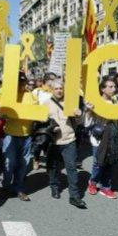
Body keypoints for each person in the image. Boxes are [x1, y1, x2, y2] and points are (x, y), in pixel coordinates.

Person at [44, 79, 87, 209]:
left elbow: (80, 122)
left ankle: (74, 196)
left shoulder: (70, 103)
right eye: (56, 88)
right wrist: (51, 129)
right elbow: (40, 124)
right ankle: (54, 187)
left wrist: (80, 115)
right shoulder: (45, 104)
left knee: (72, 167)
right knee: (53, 167)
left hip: (69, 140)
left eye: (61, 88)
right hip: (53, 142)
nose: (59, 90)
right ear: (52, 90)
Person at [0, 73, 37, 200]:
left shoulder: (30, 95)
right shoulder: (7, 95)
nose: (21, 84)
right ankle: (6, 185)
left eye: (23, 81)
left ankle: (19, 188)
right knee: (9, 163)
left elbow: (37, 111)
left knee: (23, 164)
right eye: (18, 81)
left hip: (26, 136)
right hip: (11, 135)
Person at [85, 76, 118, 200]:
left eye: (114, 87)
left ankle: (106, 187)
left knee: (109, 162)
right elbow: (87, 122)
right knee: (98, 163)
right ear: (102, 89)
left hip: (112, 137)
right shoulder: (95, 102)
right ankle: (93, 182)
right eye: (110, 87)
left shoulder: (116, 101)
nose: (113, 89)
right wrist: (89, 111)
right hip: (98, 138)